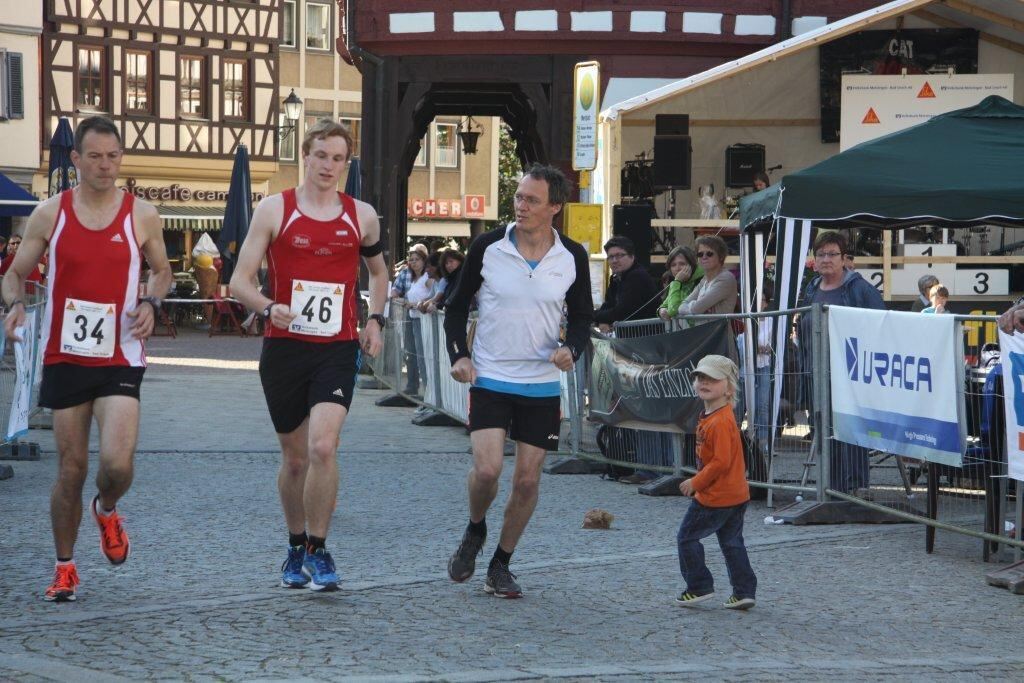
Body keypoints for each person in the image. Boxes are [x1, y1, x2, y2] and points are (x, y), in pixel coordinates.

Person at [2, 115, 172, 602]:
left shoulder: (141, 214)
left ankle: (107, 508)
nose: (105, 165)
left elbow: (161, 272)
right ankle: (65, 566)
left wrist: (151, 302)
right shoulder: (49, 213)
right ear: (75, 159)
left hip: (121, 352)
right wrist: (14, 304)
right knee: (70, 468)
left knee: (117, 465)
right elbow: (14, 274)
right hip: (65, 356)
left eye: (113, 156)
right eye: (94, 156)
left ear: (122, 158)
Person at [229, 118, 387, 592]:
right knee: (295, 459)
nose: (329, 166)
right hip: (285, 349)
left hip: (336, 348)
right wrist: (267, 306)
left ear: (346, 162)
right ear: (306, 154)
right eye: (321, 155)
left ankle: (319, 550)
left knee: (323, 446)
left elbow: (379, 274)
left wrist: (374, 320)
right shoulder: (275, 209)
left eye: (338, 158)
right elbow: (239, 281)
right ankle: (296, 544)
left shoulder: (361, 215)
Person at [443, 163, 593, 598]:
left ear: (555, 208)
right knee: (488, 471)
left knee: (527, 481)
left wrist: (574, 349)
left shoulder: (572, 257)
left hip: (542, 383)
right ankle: (475, 529)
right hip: (491, 375)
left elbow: (582, 316)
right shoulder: (488, 246)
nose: (521, 206)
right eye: (518, 197)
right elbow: (455, 307)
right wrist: (460, 355)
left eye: (532, 200)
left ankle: (501, 564)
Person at [798, 232, 885, 493]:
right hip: (817, 372)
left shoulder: (859, 289)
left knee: (851, 432)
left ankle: (856, 490)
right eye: (821, 254)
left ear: (844, 258)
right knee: (823, 430)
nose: (826, 259)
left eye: (832, 254)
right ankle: (830, 487)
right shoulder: (812, 287)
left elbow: (881, 325)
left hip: (851, 375)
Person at [675, 355, 756, 610]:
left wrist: (695, 482)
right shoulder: (718, 416)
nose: (703, 382)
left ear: (729, 387)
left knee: (686, 538)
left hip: (716, 497)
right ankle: (744, 591)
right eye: (700, 377)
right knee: (732, 543)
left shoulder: (719, 421)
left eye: (711, 378)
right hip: (735, 494)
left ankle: (698, 586)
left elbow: (720, 462)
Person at [390, 244, 431, 395]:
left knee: (423, 356)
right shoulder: (410, 276)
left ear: (424, 260)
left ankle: (428, 392)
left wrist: (416, 304)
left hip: (425, 320)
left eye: (417, 259)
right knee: (412, 352)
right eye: (411, 260)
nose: (414, 262)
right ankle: (415, 387)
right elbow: (396, 291)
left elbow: (436, 293)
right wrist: (400, 300)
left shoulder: (428, 276)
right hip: (413, 318)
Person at [594, 235, 658, 332]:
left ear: (632, 256)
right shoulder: (616, 277)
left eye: (619, 255)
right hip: (628, 337)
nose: (614, 260)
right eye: (611, 257)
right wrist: (601, 320)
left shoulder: (637, 276)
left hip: (646, 338)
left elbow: (621, 312)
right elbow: (608, 305)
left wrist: (591, 315)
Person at [677, 235, 738, 321]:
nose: (704, 257)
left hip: (720, 333)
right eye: (700, 254)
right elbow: (681, 307)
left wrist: (693, 306)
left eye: (709, 254)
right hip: (703, 332)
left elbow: (696, 309)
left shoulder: (726, 278)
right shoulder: (704, 280)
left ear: (720, 256)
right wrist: (694, 307)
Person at [657, 245, 703, 320]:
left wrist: (677, 282)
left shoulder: (701, 280)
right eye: (673, 265)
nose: (677, 268)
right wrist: (661, 310)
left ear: (691, 265)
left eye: (682, 264)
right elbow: (665, 304)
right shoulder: (677, 282)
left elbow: (673, 310)